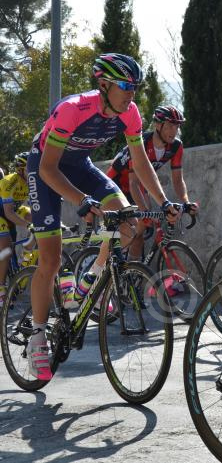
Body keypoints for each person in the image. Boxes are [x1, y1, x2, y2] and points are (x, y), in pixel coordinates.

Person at [25, 53, 179, 381]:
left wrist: (164, 200)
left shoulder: (131, 113)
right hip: (45, 169)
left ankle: (91, 286)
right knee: (49, 261)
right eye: (125, 86)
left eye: (135, 87)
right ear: (104, 84)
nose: (131, 93)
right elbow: (48, 168)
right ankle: (37, 337)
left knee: (127, 222)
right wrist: (81, 200)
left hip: (80, 166)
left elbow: (140, 162)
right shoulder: (73, 109)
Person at [106, 105, 196, 262]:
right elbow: (132, 183)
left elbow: (177, 179)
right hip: (115, 186)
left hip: (139, 185)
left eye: (176, 127)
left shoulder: (175, 146)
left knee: (140, 232)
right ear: (157, 125)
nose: (173, 131)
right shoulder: (142, 144)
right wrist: (144, 210)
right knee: (130, 232)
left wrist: (186, 202)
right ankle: (104, 266)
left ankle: (132, 275)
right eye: (169, 126)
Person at [0, 152, 32, 300]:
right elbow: (8, 213)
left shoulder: (32, 181)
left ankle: (25, 256)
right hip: (3, 213)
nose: (33, 172)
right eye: (29, 168)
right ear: (20, 170)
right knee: (6, 250)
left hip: (15, 209)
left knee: (36, 217)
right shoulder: (10, 181)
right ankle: (1, 288)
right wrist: (28, 225)